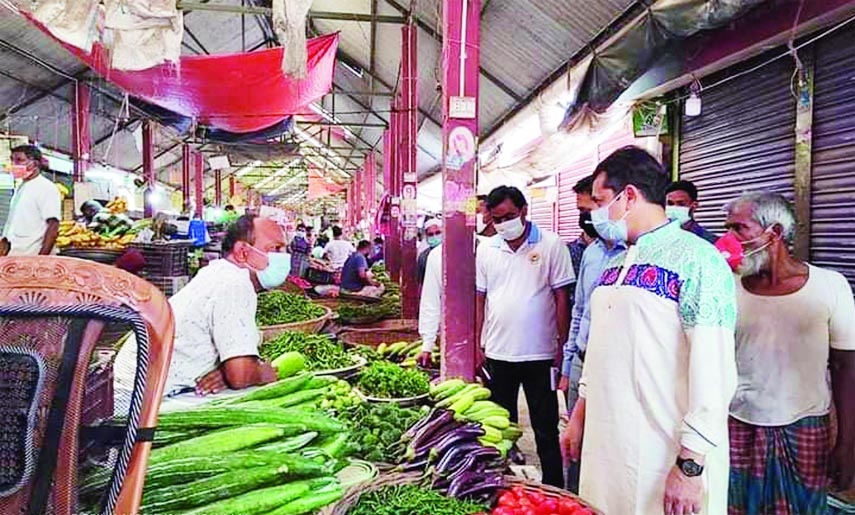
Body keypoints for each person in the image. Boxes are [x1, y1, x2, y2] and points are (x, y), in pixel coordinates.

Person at [562, 147, 737, 515]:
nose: (595, 213)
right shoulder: (617, 263)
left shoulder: (698, 260)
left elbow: (715, 373)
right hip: (608, 446)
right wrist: (578, 416)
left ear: (628, 196)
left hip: (666, 454)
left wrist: (690, 465)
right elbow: (601, 351)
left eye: (600, 201)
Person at [720, 192, 855, 515]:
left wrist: (848, 444)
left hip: (804, 425)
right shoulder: (727, 287)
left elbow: (846, 366)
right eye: (728, 228)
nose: (729, 239)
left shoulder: (829, 286)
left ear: (775, 233)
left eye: (740, 228)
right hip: (737, 422)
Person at [113, 215, 289, 412]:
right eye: (275, 248)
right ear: (242, 252)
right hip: (139, 403)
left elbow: (234, 369)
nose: (284, 257)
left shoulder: (217, 273)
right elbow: (241, 375)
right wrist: (263, 372)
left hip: (140, 390)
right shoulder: (235, 283)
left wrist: (226, 372)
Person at [476, 185, 574, 488]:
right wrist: (480, 344)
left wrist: (561, 346)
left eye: (508, 216)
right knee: (501, 426)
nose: (503, 223)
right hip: (498, 354)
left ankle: (554, 484)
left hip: (540, 354)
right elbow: (480, 298)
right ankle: (500, 484)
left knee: (545, 426)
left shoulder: (551, 245)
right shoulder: (487, 248)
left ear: (524, 211)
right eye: (496, 219)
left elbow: (562, 298)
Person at [558, 176, 627, 494]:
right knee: (575, 445)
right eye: (584, 210)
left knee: (610, 449)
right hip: (583, 363)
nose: (588, 217)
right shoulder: (592, 253)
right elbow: (580, 311)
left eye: (595, 206)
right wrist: (568, 364)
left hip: (618, 370)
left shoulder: (637, 254)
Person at [0, 145, 61, 256]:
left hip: (32, 257)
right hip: (15, 255)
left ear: (35, 164)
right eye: (12, 160)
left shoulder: (46, 188)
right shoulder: (21, 187)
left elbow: (53, 225)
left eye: (19, 160)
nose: (14, 164)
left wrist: (41, 258)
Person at [417, 218, 442, 285]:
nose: (435, 236)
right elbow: (420, 281)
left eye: (438, 233)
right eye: (430, 234)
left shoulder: (450, 254)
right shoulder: (423, 257)